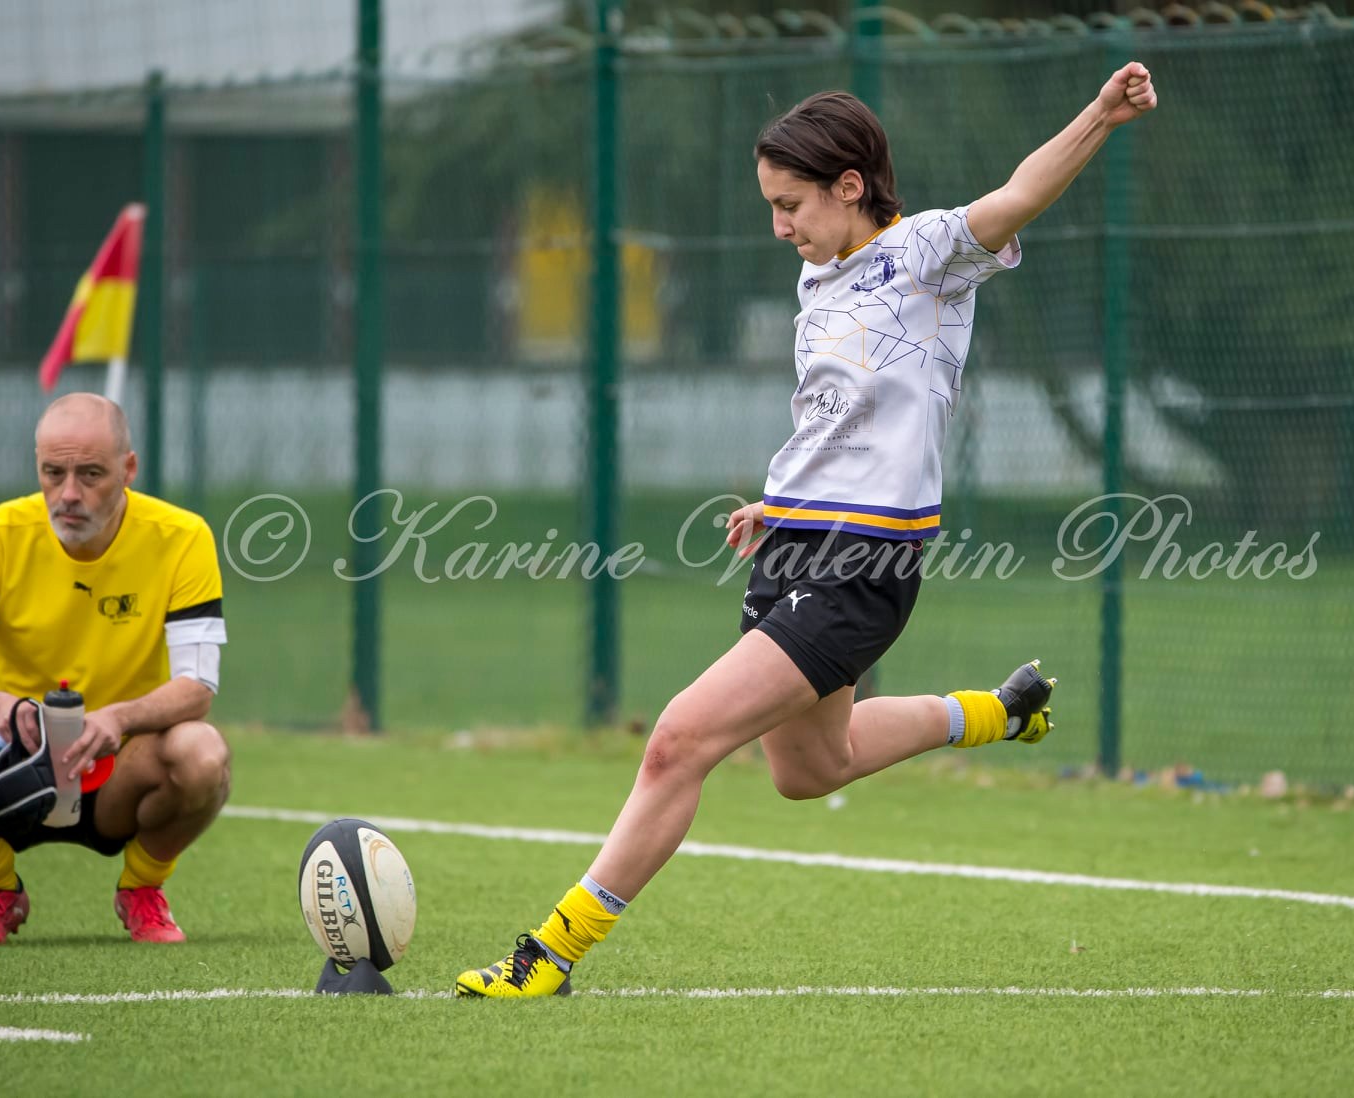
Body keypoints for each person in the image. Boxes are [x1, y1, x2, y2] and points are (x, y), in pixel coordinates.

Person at [455, 63, 1158, 998]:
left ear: (851, 186)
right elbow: (837, 417)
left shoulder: (928, 254)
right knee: (807, 769)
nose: (780, 226)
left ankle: (549, 956)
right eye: (771, 206)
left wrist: (1100, 117)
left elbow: (1021, 192)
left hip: (864, 565)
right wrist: (779, 504)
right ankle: (997, 712)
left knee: (678, 740)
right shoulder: (817, 276)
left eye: (790, 205)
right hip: (792, 540)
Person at [0, 393, 231, 945]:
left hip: (122, 769)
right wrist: (1, 706)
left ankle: (142, 887)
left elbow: (197, 687)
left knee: (202, 752)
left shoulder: (183, 537)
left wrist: (119, 718)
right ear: (37, 467)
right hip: (7, 766)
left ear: (128, 469)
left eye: (91, 474)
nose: (69, 493)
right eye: (53, 472)